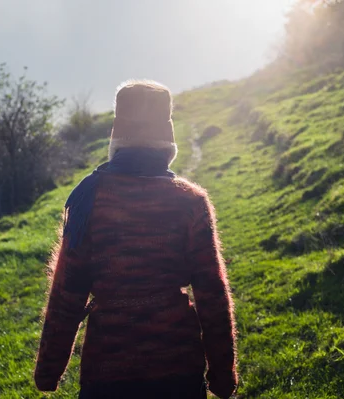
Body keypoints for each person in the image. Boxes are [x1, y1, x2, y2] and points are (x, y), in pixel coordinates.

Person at [34, 80, 238, 399]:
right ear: (167, 143)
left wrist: (49, 369)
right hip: (179, 368)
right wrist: (223, 372)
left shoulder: (88, 199)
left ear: (116, 140)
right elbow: (211, 292)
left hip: (108, 370)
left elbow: (66, 293)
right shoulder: (190, 202)